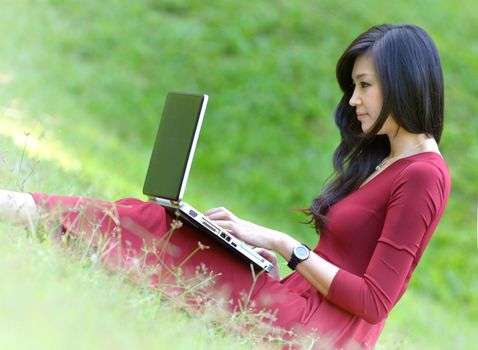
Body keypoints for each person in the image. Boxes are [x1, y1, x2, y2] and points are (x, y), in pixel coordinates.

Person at [0, 23, 450, 349]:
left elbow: (374, 301)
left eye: (364, 86)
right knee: (176, 224)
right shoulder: (386, 158)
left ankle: (17, 208)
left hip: (313, 333)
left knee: (162, 226)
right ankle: (31, 214)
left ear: (403, 83)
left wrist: (282, 243)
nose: (352, 101)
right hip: (296, 302)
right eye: (353, 86)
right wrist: (259, 248)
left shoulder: (424, 175)